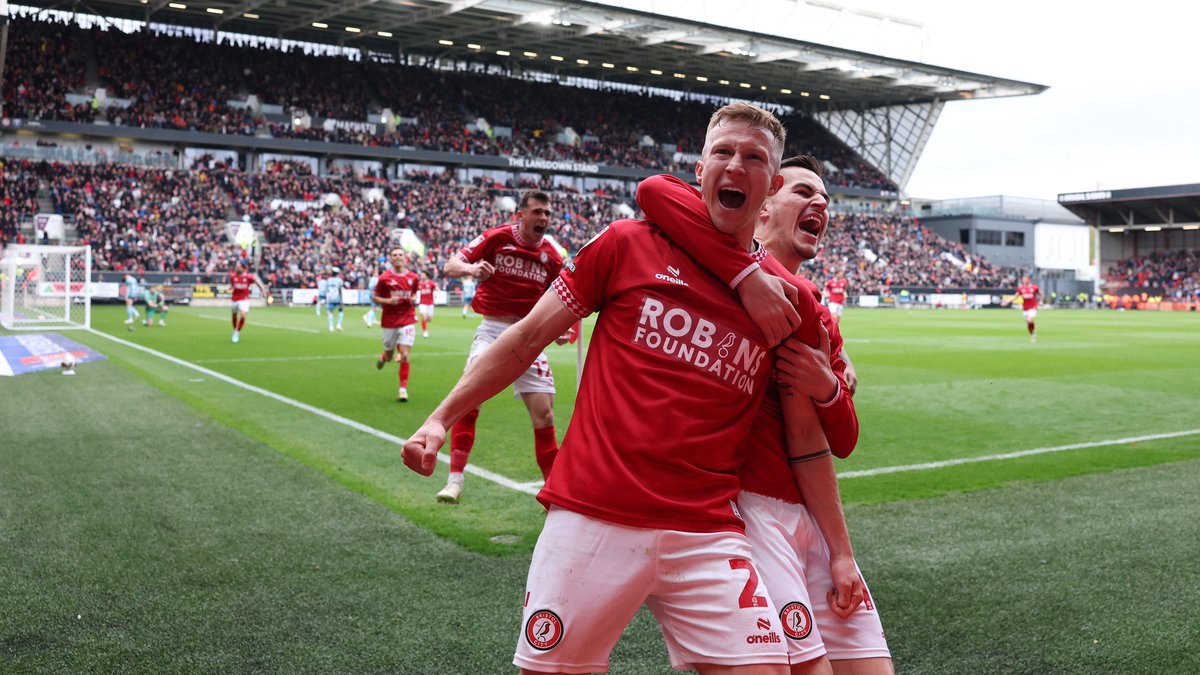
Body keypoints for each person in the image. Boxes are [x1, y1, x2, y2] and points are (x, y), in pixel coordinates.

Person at [404, 102, 822, 674]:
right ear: (697, 170)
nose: (735, 166)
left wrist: (831, 385)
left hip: (707, 528)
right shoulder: (626, 244)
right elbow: (525, 340)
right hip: (592, 515)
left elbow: (813, 432)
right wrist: (440, 417)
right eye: (722, 152)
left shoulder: (788, 303)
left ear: (770, 188)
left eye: (753, 158)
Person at [638, 157, 892, 675]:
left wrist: (827, 388)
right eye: (803, 192)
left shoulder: (814, 310)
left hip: (812, 513)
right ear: (764, 204)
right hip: (743, 510)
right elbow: (655, 191)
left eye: (825, 199)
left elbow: (839, 439)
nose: (820, 204)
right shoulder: (717, 275)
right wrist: (748, 274)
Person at [433, 189, 568, 504]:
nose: (543, 219)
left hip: (530, 334)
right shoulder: (495, 238)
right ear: (520, 215)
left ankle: (552, 493)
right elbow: (450, 266)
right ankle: (454, 481)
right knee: (470, 401)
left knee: (544, 416)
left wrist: (559, 328)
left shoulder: (552, 256)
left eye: (547, 213)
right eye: (537, 212)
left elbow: (560, 297)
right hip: (493, 331)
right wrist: (471, 269)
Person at [373, 248, 419, 402]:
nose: (398, 257)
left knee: (405, 355)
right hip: (389, 321)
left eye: (400, 254)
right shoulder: (384, 278)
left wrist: (413, 299)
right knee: (389, 356)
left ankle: (403, 390)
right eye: (394, 255)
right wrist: (388, 301)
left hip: (407, 319)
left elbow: (413, 294)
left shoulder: (413, 277)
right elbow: (375, 297)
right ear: (390, 259)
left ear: (405, 258)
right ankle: (383, 357)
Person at [228, 261, 267, 344]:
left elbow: (257, 283)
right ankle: (235, 329)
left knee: (243, 315)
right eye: (237, 267)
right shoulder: (233, 277)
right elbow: (232, 285)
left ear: (243, 268)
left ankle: (236, 332)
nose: (237, 268)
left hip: (244, 299)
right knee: (234, 315)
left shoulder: (249, 277)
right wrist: (230, 288)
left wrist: (263, 292)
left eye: (239, 267)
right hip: (234, 298)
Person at [1003, 276, 1042, 342]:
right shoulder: (1021, 289)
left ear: (1029, 280)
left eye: (1025, 280)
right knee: (1028, 323)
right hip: (1025, 308)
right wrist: (1007, 301)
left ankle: (1033, 335)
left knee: (1030, 320)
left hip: (1033, 307)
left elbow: (1041, 293)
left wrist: (1041, 301)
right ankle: (1032, 333)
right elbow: (1015, 296)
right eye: (1023, 280)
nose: (1024, 281)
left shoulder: (1034, 287)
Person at [325, 266, 346, 332]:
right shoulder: (339, 280)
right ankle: (339, 325)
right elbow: (340, 290)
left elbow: (327, 290)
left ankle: (331, 327)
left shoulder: (329, 280)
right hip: (337, 297)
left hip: (331, 298)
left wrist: (327, 299)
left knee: (330, 312)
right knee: (341, 311)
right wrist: (341, 299)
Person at [417, 271, 436, 338]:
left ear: (427, 276)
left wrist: (436, 293)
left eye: (423, 275)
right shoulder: (419, 284)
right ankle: (425, 332)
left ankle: (422, 321)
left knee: (429, 319)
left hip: (430, 304)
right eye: (421, 275)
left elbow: (437, 289)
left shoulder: (431, 283)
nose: (421, 276)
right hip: (422, 303)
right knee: (424, 317)